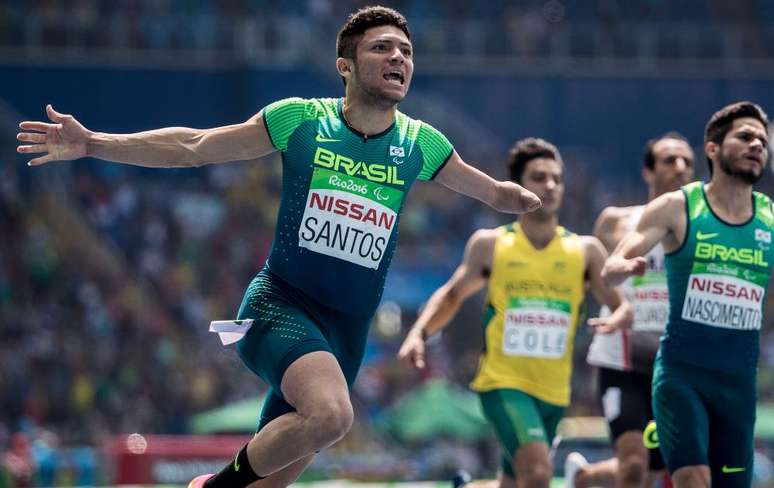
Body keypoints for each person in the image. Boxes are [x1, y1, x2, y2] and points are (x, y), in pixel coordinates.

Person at [16, 6, 541, 488]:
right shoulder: (301, 119)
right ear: (346, 65)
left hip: (348, 331)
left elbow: (485, 187)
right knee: (333, 416)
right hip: (281, 305)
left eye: (406, 51)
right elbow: (194, 147)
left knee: (280, 468)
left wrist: (515, 196)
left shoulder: (422, 143)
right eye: (382, 47)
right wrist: (93, 143)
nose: (398, 57)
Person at [397, 138, 633, 488]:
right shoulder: (491, 245)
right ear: (518, 185)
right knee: (538, 475)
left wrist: (618, 318)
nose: (550, 186)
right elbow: (451, 295)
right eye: (539, 177)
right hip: (504, 383)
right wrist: (419, 334)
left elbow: (623, 306)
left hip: (554, 392)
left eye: (557, 178)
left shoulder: (585, 251)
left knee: (514, 482)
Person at [600, 101, 771, 488]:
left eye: (762, 139)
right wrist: (622, 267)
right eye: (745, 136)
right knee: (692, 479)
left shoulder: (769, 218)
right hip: (682, 378)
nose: (757, 144)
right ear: (712, 148)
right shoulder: (679, 207)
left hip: (739, 386)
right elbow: (612, 266)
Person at [566, 133, 695, 488]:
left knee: (658, 466)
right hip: (621, 359)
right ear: (647, 171)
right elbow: (594, 276)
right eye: (669, 160)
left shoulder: (702, 228)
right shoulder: (616, 221)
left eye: (687, 162)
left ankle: (584, 478)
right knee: (635, 467)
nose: (680, 168)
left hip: (675, 362)